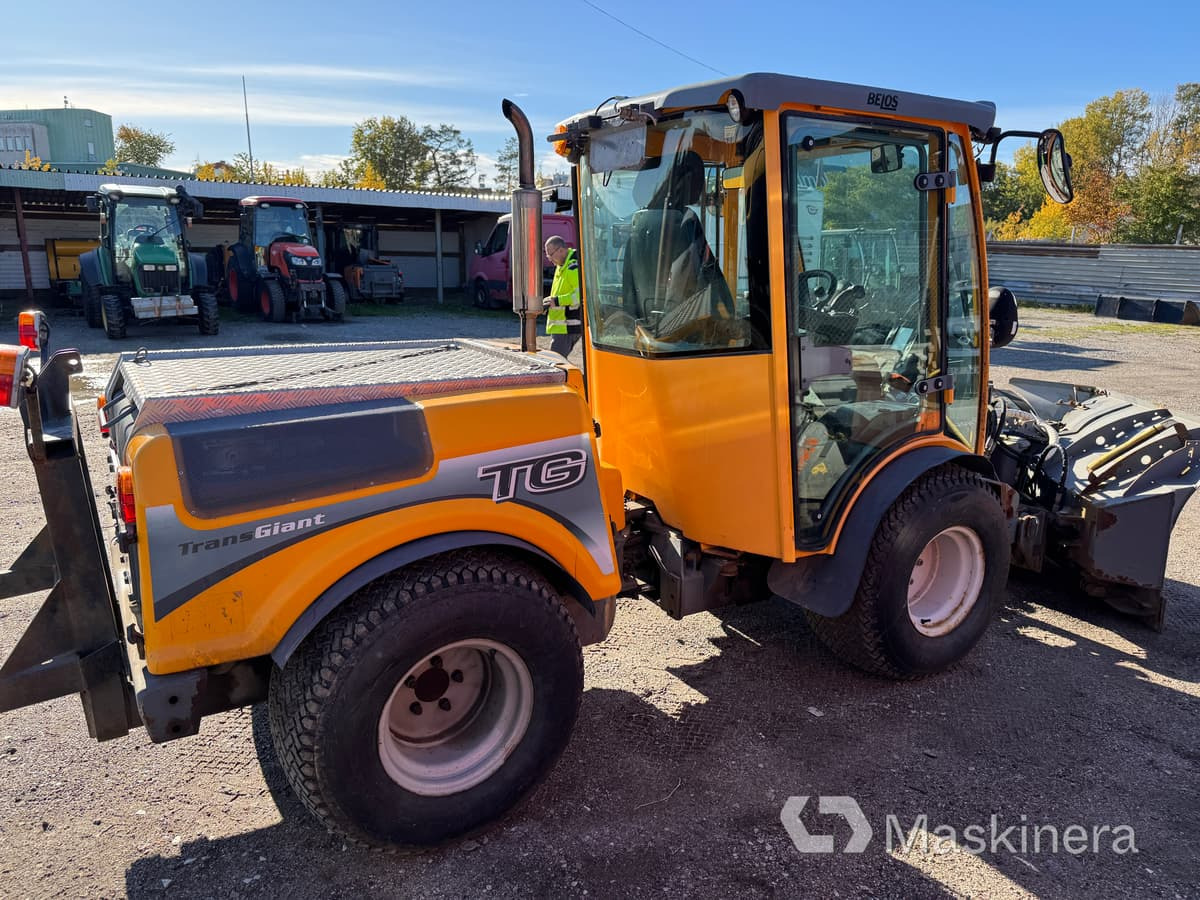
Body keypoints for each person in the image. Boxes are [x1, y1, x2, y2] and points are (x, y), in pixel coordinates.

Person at [544, 236, 582, 357]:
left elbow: (580, 295)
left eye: (551, 254)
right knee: (557, 362)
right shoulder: (562, 266)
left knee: (556, 364)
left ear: (561, 250)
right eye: (547, 255)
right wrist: (549, 302)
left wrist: (557, 301)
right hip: (562, 327)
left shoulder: (572, 268)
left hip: (567, 326)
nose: (549, 259)